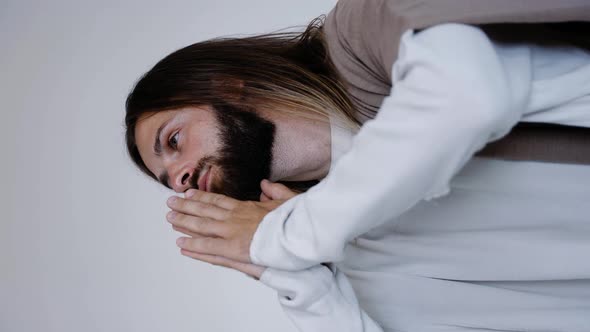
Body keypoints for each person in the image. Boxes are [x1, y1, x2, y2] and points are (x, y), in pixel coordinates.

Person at [125, 1, 590, 331]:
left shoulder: (360, 32)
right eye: (170, 181)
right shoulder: (358, 255)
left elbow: (466, 93)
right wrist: (304, 284)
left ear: (230, 87)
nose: (181, 180)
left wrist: (288, 236)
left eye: (174, 140)